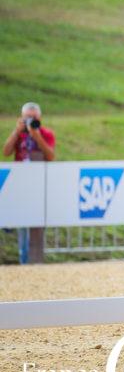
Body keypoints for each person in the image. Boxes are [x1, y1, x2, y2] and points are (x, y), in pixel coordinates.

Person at [3, 102, 55, 264]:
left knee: (37, 223)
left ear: (39, 117)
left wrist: (37, 135)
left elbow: (50, 156)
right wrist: (16, 131)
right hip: (20, 185)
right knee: (22, 222)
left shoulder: (46, 133)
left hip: (39, 184)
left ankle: (35, 260)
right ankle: (23, 259)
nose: (31, 120)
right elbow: (6, 152)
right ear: (22, 117)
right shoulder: (19, 134)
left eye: (34, 117)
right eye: (28, 117)